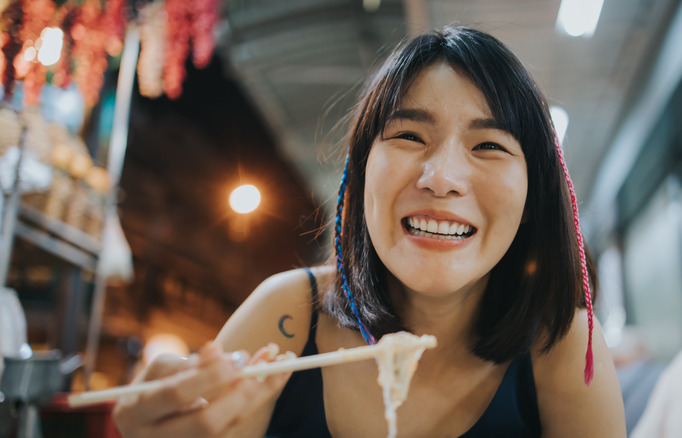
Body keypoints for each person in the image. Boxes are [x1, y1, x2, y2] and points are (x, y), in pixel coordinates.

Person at [112, 26, 625, 437]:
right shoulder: (289, 315)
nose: (441, 178)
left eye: (489, 146)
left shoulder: (561, 344)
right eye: (407, 135)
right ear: (358, 176)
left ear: (534, 196)